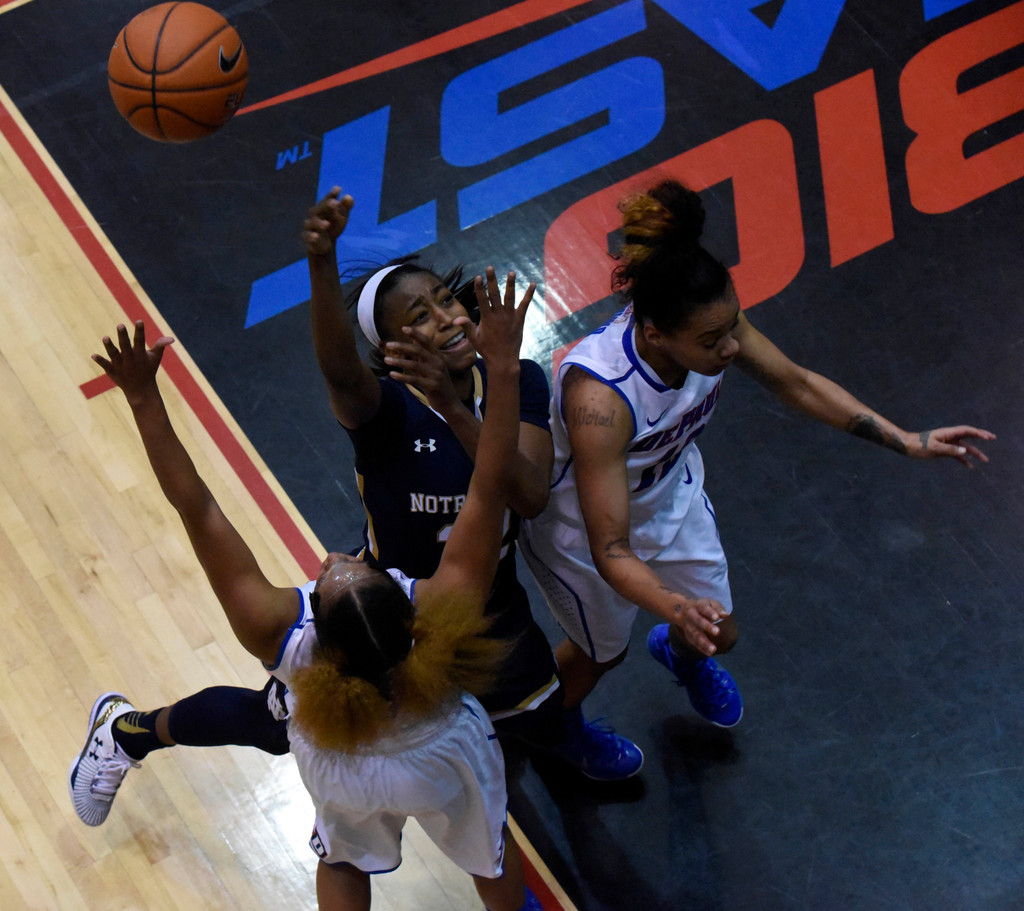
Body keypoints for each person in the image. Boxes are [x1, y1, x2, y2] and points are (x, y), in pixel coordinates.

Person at [71, 188, 641, 797]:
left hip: (488, 599)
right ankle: (128, 732)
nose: (447, 317)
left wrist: (458, 406)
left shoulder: (513, 377)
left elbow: (528, 495)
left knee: (540, 707)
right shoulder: (385, 412)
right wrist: (321, 262)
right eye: (419, 316)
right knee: (276, 725)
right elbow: (340, 371)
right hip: (387, 610)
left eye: (445, 300)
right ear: (392, 348)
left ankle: (562, 741)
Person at [70, 300, 541, 911]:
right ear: (411, 613)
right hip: (442, 749)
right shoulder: (443, 607)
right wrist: (502, 368)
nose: (333, 558)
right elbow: (490, 482)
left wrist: (142, 399)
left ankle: (128, 733)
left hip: (342, 765)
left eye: (330, 575)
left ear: (318, 634)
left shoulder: (279, 632)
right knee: (490, 855)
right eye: (352, 566)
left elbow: (200, 509)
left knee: (342, 859)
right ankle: (128, 734)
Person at [520, 178, 995, 729]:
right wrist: (678, 607)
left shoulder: (711, 323)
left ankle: (677, 654)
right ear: (655, 335)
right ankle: (551, 732)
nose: (731, 348)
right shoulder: (601, 397)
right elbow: (611, 548)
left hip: (668, 499)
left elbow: (797, 383)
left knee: (719, 633)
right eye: (711, 341)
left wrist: (907, 440)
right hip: (585, 535)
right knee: (601, 657)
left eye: (732, 327)